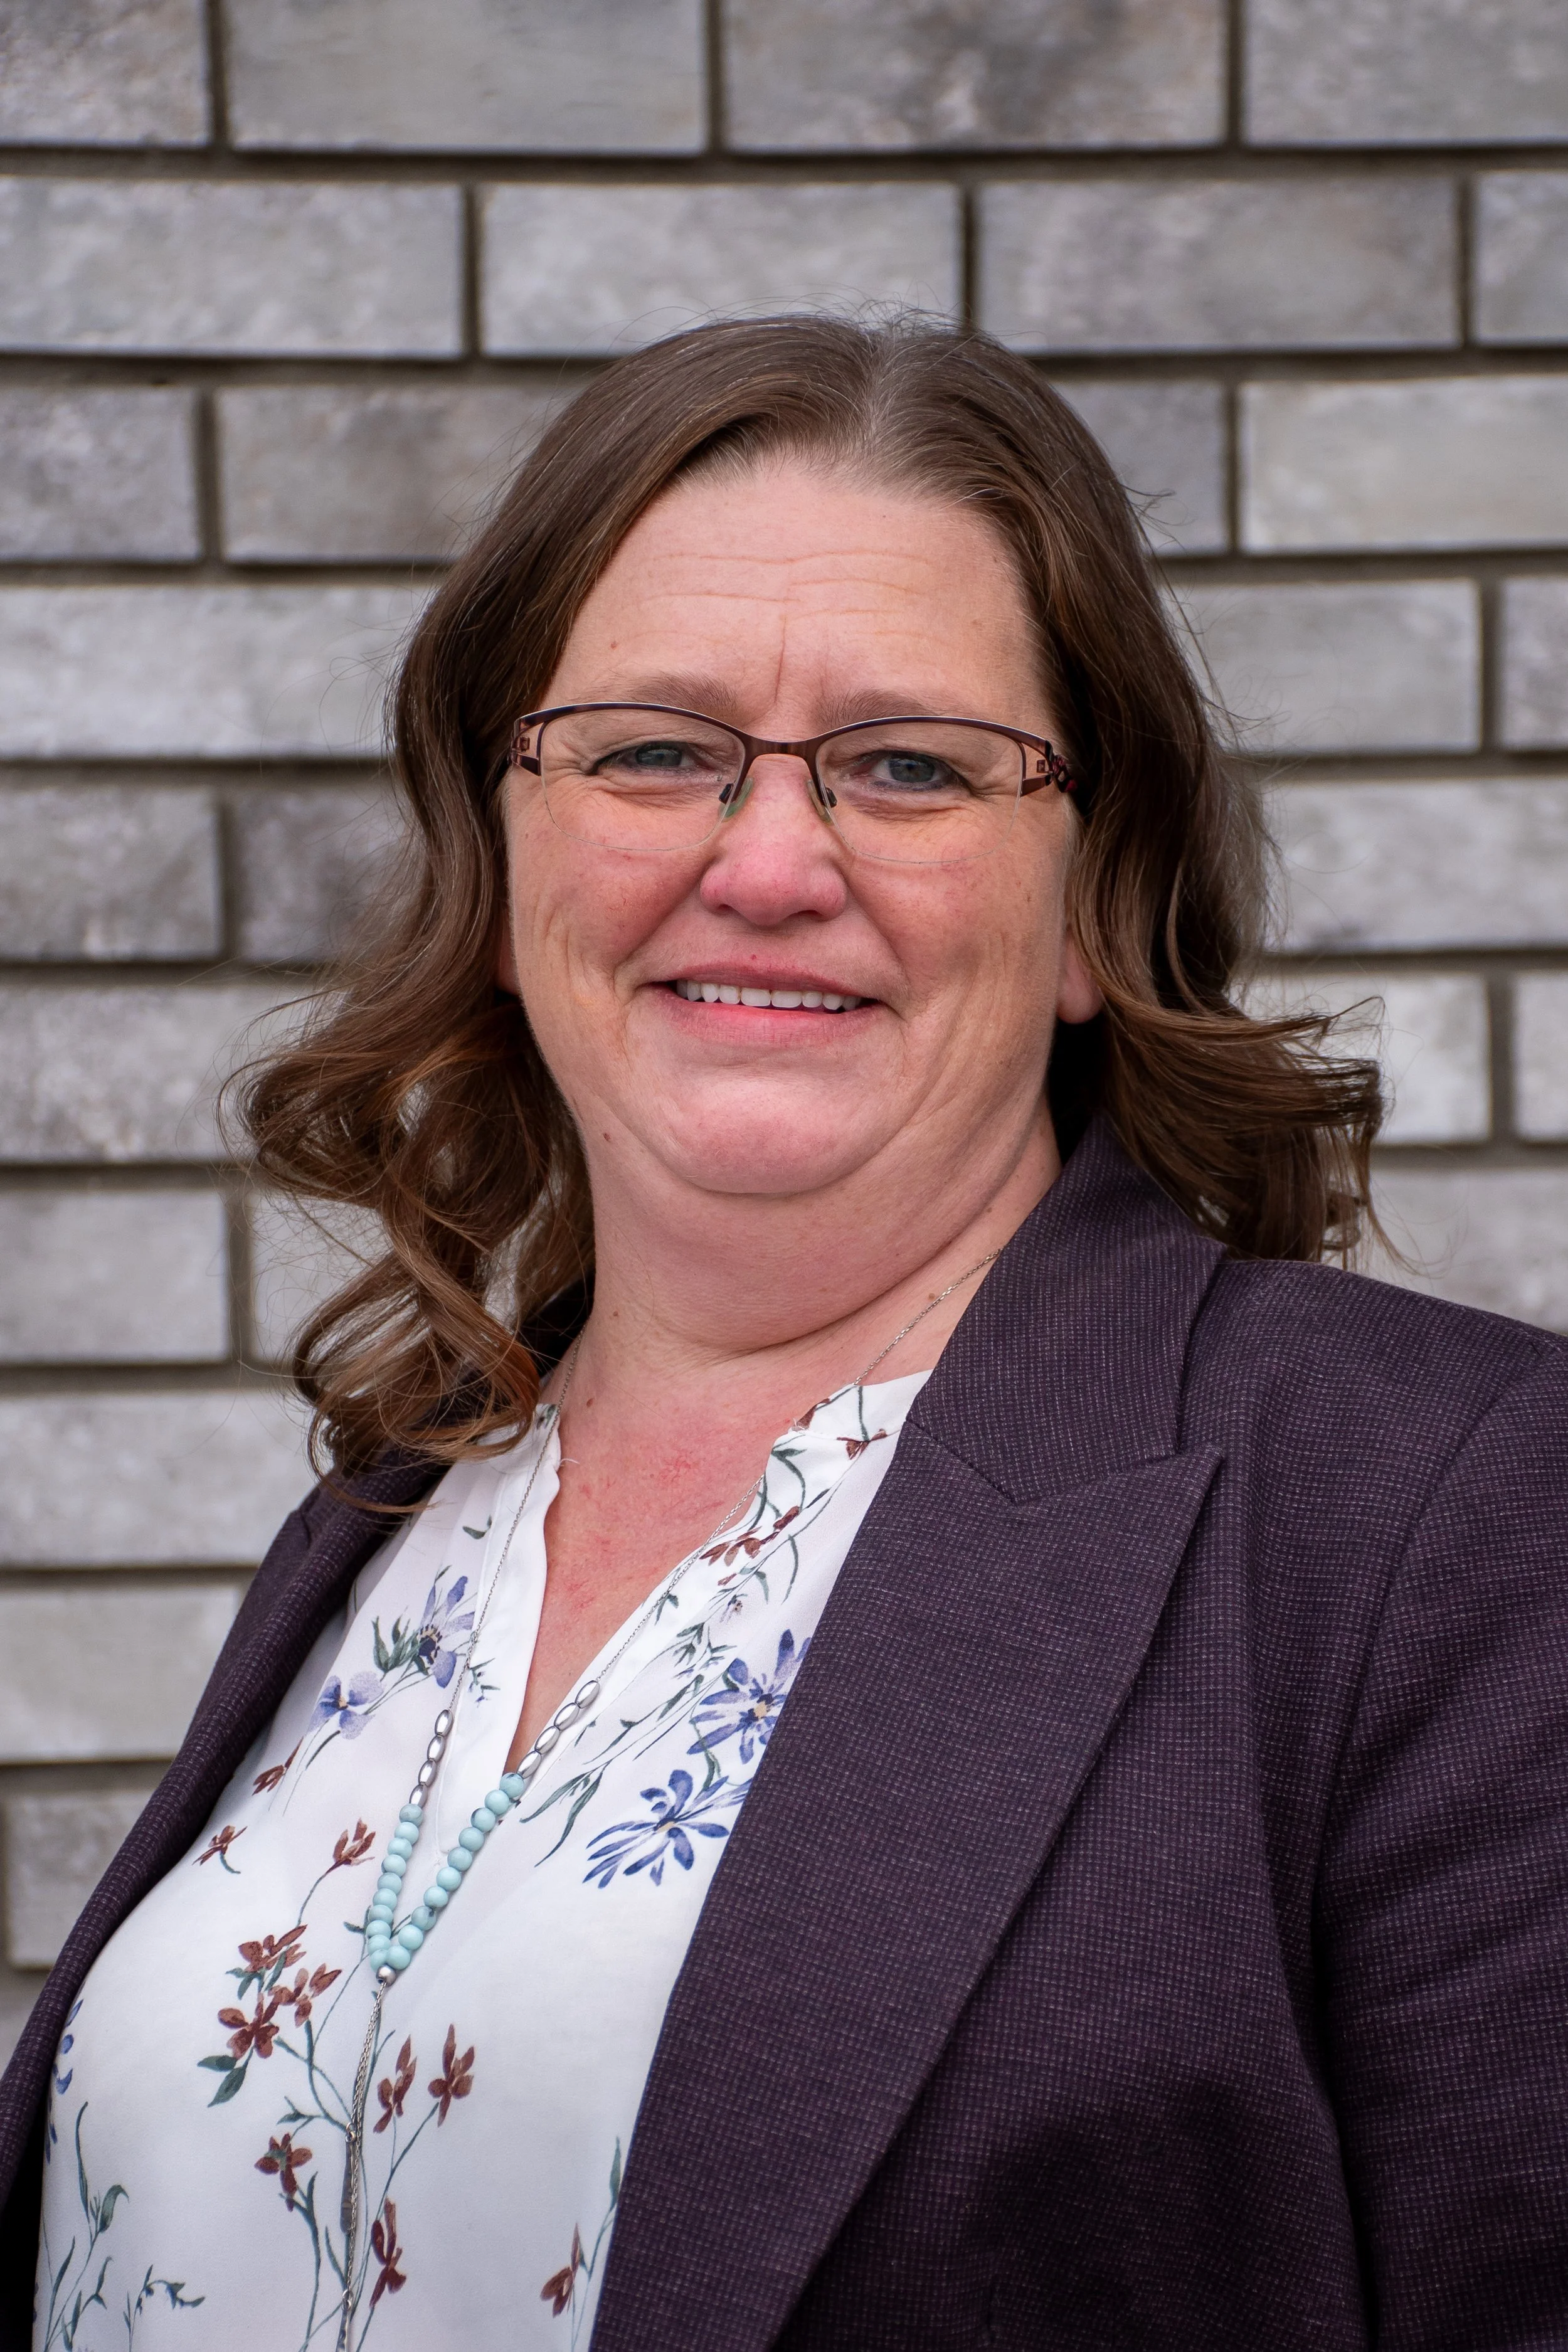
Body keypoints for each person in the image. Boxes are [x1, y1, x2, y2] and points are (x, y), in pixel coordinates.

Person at [3, 315, 1565, 2352]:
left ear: (1092, 898)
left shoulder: (1437, 1511)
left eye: (908, 764)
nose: (764, 862)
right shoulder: (407, 1514)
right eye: (654, 747)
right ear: (500, 860)